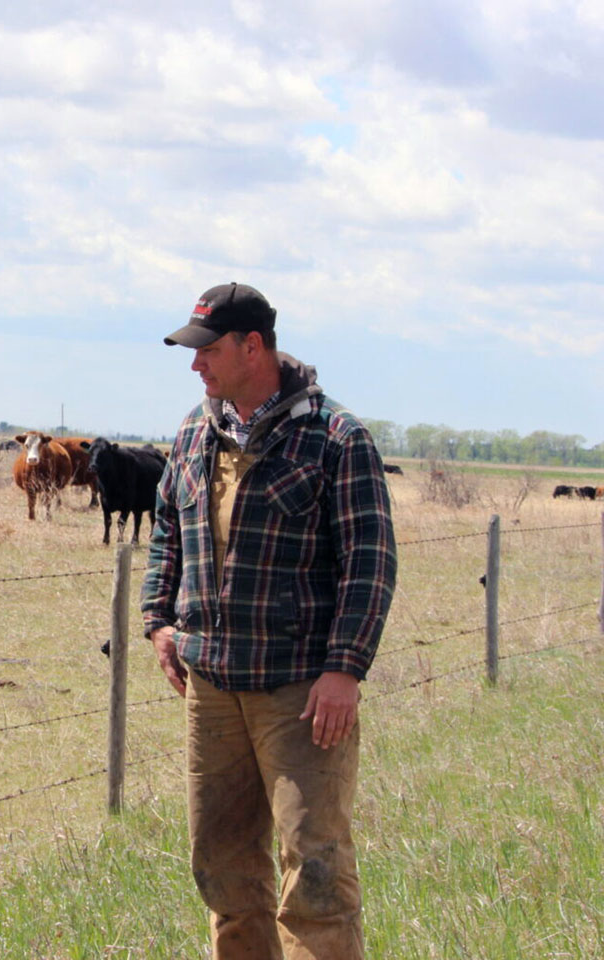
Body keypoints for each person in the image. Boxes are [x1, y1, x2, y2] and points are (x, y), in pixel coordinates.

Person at [141, 283, 396, 960]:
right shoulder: (197, 430)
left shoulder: (336, 438)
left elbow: (369, 563)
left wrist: (344, 668)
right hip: (213, 690)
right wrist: (159, 620)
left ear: (253, 347)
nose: (196, 366)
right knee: (222, 869)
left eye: (209, 351)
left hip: (301, 694)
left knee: (314, 872)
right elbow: (169, 525)